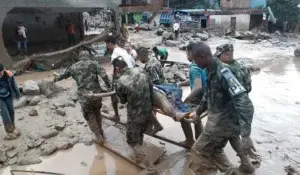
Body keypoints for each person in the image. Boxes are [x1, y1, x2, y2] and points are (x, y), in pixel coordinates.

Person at [186, 42, 256, 174]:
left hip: (221, 123)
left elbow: (244, 102)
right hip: (219, 121)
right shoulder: (210, 70)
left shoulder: (223, 72)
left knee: (199, 151)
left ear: (202, 56)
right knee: (215, 150)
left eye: (195, 60)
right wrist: (198, 112)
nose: (195, 63)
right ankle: (233, 172)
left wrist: (246, 135)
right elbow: (208, 94)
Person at [54, 51, 111, 144]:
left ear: (80, 57)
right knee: (97, 111)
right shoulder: (94, 63)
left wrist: (55, 79)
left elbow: (63, 75)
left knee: (89, 115)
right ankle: (101, 130)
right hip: (96, 95)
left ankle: (97, 136)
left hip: (85, 97)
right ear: (88, 56)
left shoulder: (74, 66)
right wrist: (108, 86)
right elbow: (104, 75)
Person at [113, 57, 153, 162]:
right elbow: (151, 88)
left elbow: (122, 101)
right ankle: (139, 156)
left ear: (117, 68)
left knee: (131, 141)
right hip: (148, 111)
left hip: (135, 116)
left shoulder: (120, 81)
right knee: (140, 134)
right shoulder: (141, 70)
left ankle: (150, 167)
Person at [178, 43, 207, 148]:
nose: (186, 56)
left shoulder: (194, 67)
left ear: (191, 53)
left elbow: (198, 87)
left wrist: (186, 99)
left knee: (182, 115)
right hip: (206, 98)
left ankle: (190, 141)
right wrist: (181, 83)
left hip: (198, 101)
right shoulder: (203, 64)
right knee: (196, 119)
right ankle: (199, 143)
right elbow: (194, 81)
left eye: (186, 53)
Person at [0, 63, 21, 140]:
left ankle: (13, 127)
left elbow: (14, 85)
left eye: (0, 73)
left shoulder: (9, 75)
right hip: (0, 99)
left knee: (11, 111)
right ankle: (9, 131)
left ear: (3, 70)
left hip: (8, 95)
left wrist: (18, 94)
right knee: (4, 113)